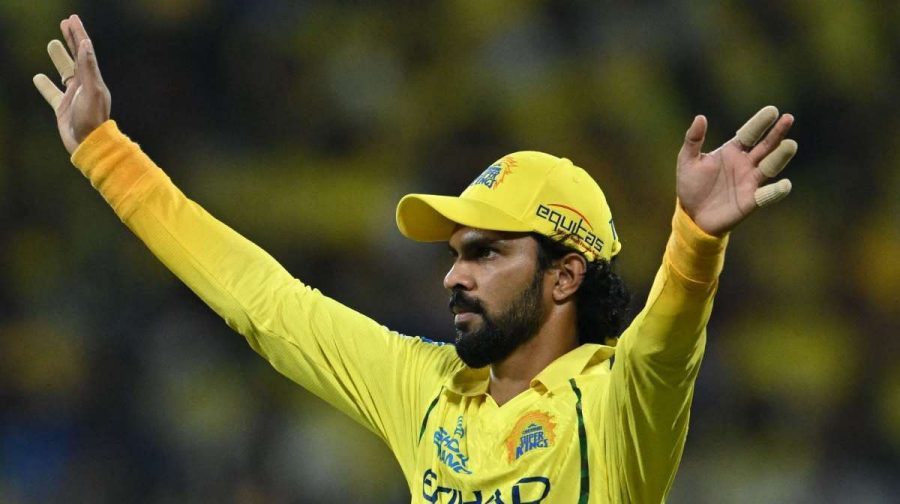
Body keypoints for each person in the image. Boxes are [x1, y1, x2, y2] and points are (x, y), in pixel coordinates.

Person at [33, 14, 797, 504]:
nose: (453, 275)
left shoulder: (616, 404)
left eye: (487, 253)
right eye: (457, 253)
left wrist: (695, 238)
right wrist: (107, 155)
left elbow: (666, 345)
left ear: (566, 275)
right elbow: (263, 302)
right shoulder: (426, 387)